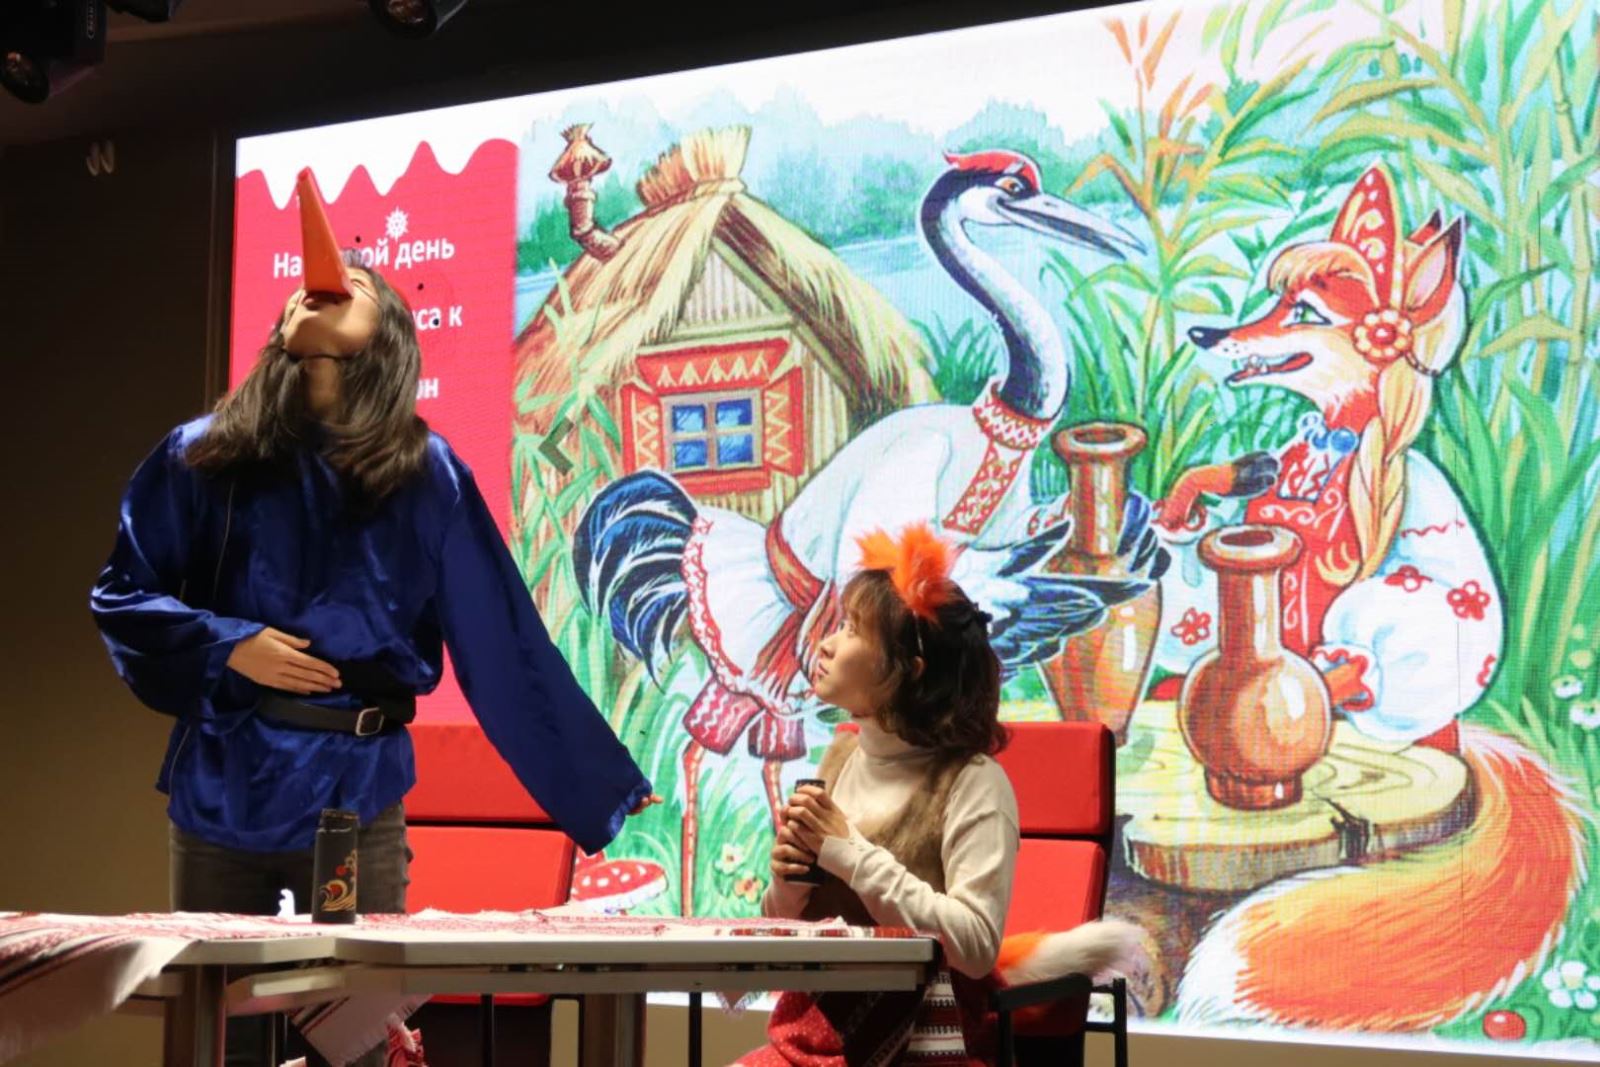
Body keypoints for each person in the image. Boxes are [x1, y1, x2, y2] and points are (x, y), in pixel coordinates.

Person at [89, 170, 658, 1067]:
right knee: (217, 1037)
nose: (320, 289)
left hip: (353, 797)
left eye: (351, 285)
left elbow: (503, 641)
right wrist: (232, 647)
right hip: (225, 786)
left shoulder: (427, 474)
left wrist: (597, 780)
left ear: (387, 334)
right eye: (307, 289)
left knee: (353, 1045)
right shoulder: (204, 457)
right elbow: (123, 594)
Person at [742, 521, 1018, 1065]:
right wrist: (786, 888)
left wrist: (850, 854)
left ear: (906, 672)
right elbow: (790, 929)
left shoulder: (974, 781)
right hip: (812, 1038)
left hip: (923, 1046)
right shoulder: (839, 758)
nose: (826, 644)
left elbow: (976, 946)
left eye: (851, 630)